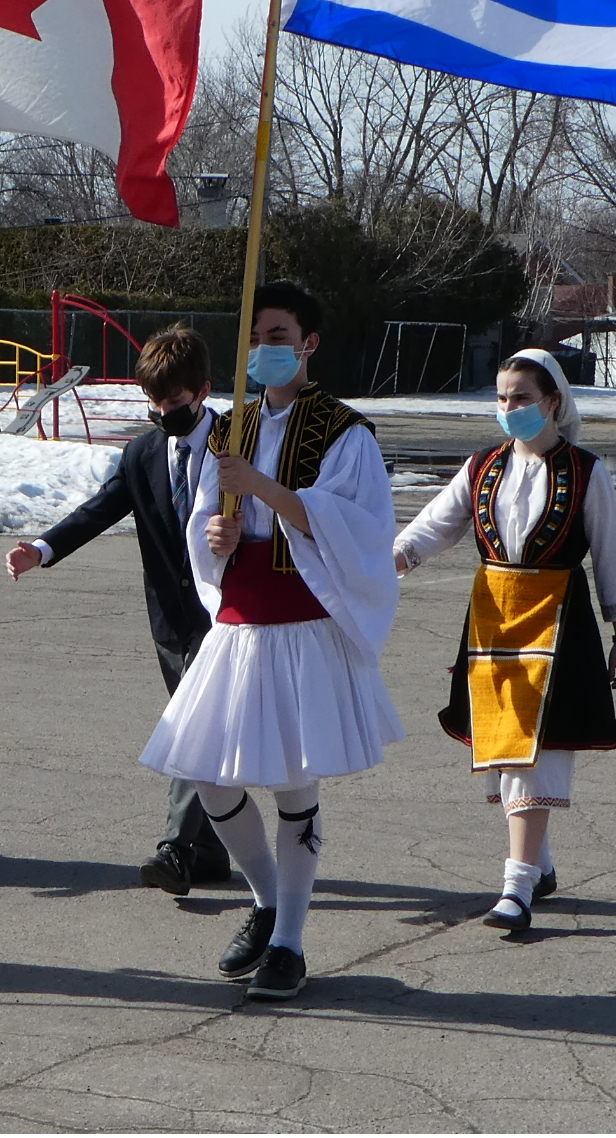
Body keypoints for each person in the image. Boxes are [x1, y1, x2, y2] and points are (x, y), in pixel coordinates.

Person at [140, 281, 403, 1001]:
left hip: (301, 621)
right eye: (256, 335)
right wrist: (215, 535)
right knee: (206, 770)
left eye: (279, 335)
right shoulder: (231, 428)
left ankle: (288, 939)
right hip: (239, 622)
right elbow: (204, 518)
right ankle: (264, 900)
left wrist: (262, 489)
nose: (264, 348)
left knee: (292, 780)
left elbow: (357, 531)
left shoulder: (346, 431)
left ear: (308, 344)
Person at [392, 348, 616, 935]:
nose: (509, 408)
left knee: (540, 755)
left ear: (553, 401)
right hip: (492, 623)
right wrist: (394, 559)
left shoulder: (586, 471)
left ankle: (516, 888)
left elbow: (612, 556)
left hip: (558, 624)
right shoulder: (484, 465)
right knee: (508, 755)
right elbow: (437, 523)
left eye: (522, 398)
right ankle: (541, 865)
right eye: (502, 398)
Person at [6, 325, 232, 895]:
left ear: (202, 390)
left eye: (175, 402)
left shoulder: (241, 443)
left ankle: (177, 848)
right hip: (169, 621)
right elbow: (101, 508)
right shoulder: (143, 451)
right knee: (204, 732)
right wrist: (42, 547)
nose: (162, 412)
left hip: (228, 617)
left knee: (192, 728)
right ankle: (209, 852)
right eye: (153, 402)